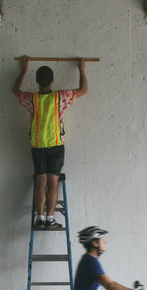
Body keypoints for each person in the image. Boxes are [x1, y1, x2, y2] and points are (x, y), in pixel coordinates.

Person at [12, 56, 89, 230]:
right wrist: (81, 69)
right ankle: (50, 218)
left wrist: (23, 70)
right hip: (55, 145)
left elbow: (15, 90)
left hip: (38, 146)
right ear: (52, 80)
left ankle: (39, 218)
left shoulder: (32, 99)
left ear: (37, 81)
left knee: (41, 182)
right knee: (53, 182)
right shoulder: (60, 97)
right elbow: (84, 89)